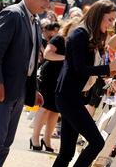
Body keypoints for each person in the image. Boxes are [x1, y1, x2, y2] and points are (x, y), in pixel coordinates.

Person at [42, 0, 116, 167]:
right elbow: (79, 68)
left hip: (72, 97)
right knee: (96, 142)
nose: (110, 24)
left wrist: (109, 71)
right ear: (99, 15)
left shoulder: (88, 35)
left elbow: (89, 69)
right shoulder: (79, 34)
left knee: (66, 153)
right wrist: (108, 68)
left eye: (113, 20)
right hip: (68, 97)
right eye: (109, 19)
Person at [0, 0, 50, 167]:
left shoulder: (35, 20)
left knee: (6, 142)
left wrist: (34, 90)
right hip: (4, 89)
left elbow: (30, 60)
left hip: (19, 91)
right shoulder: (12, 15)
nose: (47, 4)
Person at [31, 18, 81, 153]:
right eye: (74, 28)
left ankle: (47, 139)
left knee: (55, 110)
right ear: (69, 27)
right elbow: (47, 54)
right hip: (50, 76)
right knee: (45, 107)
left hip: (62, 78)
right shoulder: (59, 39)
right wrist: (66, 58)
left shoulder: (76, 43)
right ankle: (35, 137)